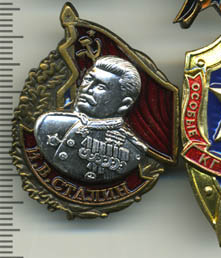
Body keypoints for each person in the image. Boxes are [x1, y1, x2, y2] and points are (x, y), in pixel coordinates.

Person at [34, 56, 147, 184]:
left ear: (124, 104)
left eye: (101, 87)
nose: (86, 89)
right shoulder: (47, 124)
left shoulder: (132, 150)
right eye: (88, 80)